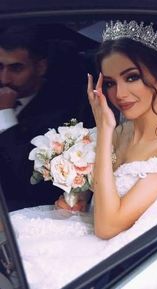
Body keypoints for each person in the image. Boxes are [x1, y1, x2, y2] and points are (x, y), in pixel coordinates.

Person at [9, 20, 157, 289]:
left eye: (131, 77)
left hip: (120, 260)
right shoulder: (121, 132)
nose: (119, 94)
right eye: (110, 83)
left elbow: (107, 228)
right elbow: (91, 196)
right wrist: (74, 196)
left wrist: (104, 130)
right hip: (86, 233)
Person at [0, 25, 95, 211]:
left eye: (16, 68)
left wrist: (5, 114)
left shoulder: (65, 107)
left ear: (40, 67)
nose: (4, 79)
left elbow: (32, 182)